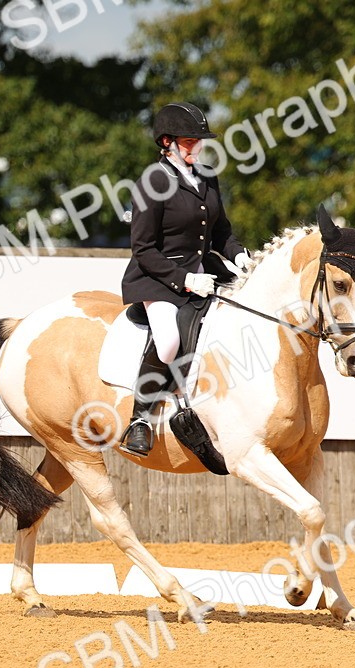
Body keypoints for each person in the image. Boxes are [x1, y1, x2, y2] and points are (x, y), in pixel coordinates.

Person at [118, 102, 253, 457]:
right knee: (167, 342)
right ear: (168, 142)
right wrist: (186, 281)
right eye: (191, 141)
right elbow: (143, 249)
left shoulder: (207, 176)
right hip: (158, 277)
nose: (199, 147)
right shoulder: (152, 182)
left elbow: (221, 231)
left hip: (204, 270)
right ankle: (140, 420)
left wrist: (239, 255)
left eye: (200, 141)